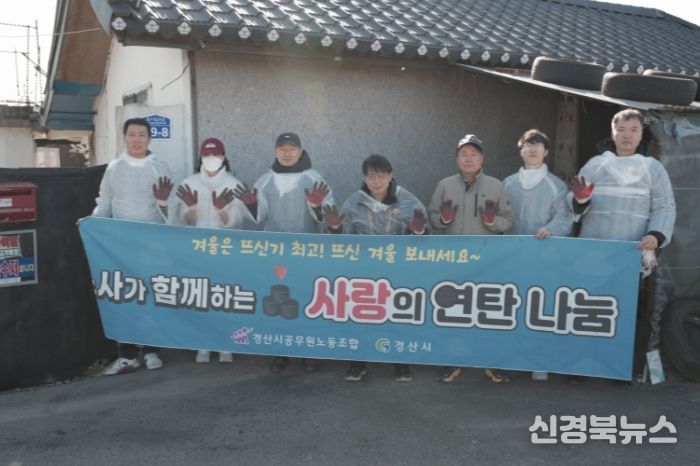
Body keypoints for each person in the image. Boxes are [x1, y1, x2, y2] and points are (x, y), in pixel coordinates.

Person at [568, 108, 676, 384]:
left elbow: (665, 206)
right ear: (612, 133)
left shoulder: (653, 168)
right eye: (622, 129)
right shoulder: (596, 165)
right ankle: (580, 365)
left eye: (634, 130)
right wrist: (580, 201)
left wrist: (656, 235)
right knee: (586, 306)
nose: (627, 135)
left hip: (631, 250)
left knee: (624, 310)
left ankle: (617, 367)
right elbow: (573, 204)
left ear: (641, 135)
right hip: (593, 248)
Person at [233, 132, 335, 373]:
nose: (287, 153)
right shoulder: (265, 180)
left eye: (292, 148)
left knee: (307, 300)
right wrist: (251, 205)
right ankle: (281, 351)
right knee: (279, 302)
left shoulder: (314, 178)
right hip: (276, 253)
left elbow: (329, 215)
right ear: (275, 151)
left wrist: (316, 206)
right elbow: (258, 218)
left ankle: (308, 351)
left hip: (307, 250)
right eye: (282, 148)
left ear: (300, 151)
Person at [322, 154, 428, 382]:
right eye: (371, 176)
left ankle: (401, 363)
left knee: (398, 316)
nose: (376, 181)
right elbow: (342, 240)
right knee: (361, 316)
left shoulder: (408, 201)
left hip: (398, 269)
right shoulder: (353, 202)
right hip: (363, 270)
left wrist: (419, 231)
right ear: (364, 178)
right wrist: (335, 229)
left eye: (381, 176)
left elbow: (424, 237)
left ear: (391, 176)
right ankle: (358, 362)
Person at [428, 133, 515, 384]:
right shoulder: (445, 185)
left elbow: (509, 220)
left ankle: (491, 361)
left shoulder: (495, 185)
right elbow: (432, 216)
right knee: (453, 311)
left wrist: (492, 222)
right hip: (453, 259)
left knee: (487, 311)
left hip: (487, 260)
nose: (468, 158)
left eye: (473, 154)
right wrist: (443, 220)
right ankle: (452, 360)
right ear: (457, 158)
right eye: (463, 154)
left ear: (482, 158)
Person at [93, 117, 173, 375]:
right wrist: (94, 223)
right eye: (132, 134)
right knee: (124, 296)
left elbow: (171, 209)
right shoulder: (114, 167)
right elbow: (105, 199)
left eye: (142, 134)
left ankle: (151, 351)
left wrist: (164, 204)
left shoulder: (159, 167)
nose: (137, 139)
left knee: (150, 294)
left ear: (149, 138)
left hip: (151, 242)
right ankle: (126, 354)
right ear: (124, 137)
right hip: (121, 242)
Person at [503, 129, 573, 382]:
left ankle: (539, 361)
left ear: (546, 152)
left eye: (538, 145)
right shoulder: (507, 184)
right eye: (527, 145)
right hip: (512, 257)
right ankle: (511, 357)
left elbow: (565, 218)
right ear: (520, 151)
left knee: (540, 308)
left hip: (545, 257)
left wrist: (551, 229)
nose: (533, 149)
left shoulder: (557, 185)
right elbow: (498, 216)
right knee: (511, 306)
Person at [171, 137, 249, 364]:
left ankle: (225, 345)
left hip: (225, 251)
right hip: (197, 251)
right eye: (207, 155)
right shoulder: (189, 183)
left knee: (224, 297)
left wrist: (223, 212)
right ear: (201, 157)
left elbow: (238, 220)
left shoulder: (234, 184)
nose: (211, 159)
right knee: (200, 297)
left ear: (223, 157)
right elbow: (183, 220)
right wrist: (191, 208)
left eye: (216, 154)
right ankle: (202, 343)